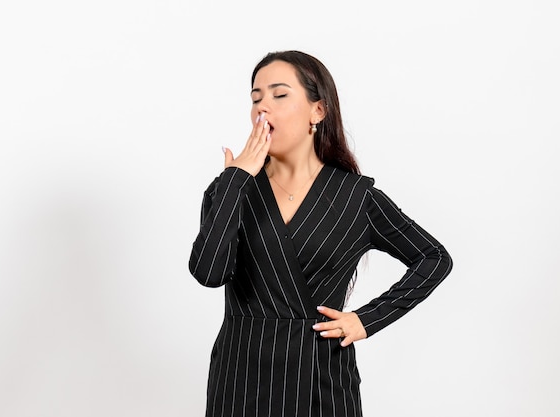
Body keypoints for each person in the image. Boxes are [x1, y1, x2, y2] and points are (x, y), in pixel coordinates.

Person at [188, 50, 453, 417]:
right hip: (241, 377)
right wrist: (236, 179)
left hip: (320, 380)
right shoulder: (230, 188)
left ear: (318, 111)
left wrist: (366, 320)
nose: (263, 108)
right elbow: (208, 273)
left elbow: (434, 258)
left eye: (280, 95)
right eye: (255, 98)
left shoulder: (355, 197)